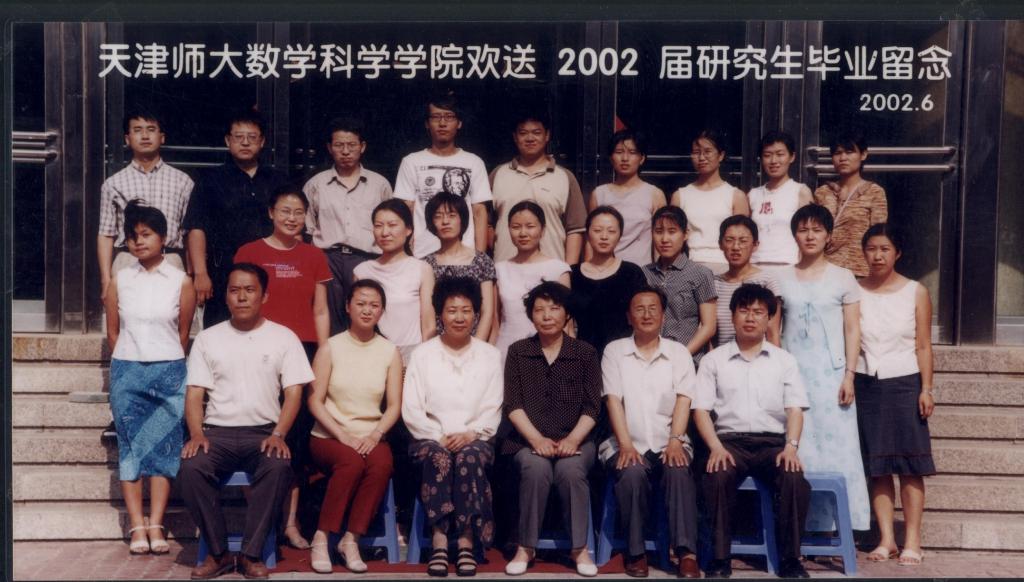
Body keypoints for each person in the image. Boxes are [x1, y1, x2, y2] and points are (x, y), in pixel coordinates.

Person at [178, 263, 315, 580]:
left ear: (264, 296)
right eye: (234, 290)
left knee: (278, 466)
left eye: (250, 290)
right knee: (191, 468)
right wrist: (196, 433)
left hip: (264, 433)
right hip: (217, 434)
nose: (241, 297)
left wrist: (279, 433)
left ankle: (252, 554)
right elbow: (195, 393)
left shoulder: (284, 337)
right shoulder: (208, 339)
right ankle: (219, 553)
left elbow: (294, 393)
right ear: (226, 296)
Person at [234, 186, 332, 549]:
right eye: (285, 211)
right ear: (271, 213)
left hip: (301, 352)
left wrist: (323, 353)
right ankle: (263, 521)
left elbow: (320, 310)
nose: (292, 218)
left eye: (299, 212)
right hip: (257, 352)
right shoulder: (249, 252)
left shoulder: (314, 256)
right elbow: (240, 301)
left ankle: (290, 523)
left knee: (294, 443)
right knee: (255, 435)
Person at [694, 283, 812, 579]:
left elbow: (795, 409)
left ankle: (791, 560)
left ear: (769, 318)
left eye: (758, 312)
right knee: (716, 475)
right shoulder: (713, 360)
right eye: (744, 310)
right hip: (728, 443)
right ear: (732, 316)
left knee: (793, 477)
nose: (750, 317)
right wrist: (715, 447)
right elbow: (701, 411)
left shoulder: (785, 361)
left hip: (772, 444)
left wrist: (791, 446)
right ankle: (719, 559)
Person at [103, 201, 196, 555]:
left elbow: (183, 333)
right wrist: (130, 362)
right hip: (127, 370)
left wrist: (165, 362)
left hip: (168, 370)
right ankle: (136, 525)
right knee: (130, 448)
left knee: (164, 447)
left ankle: (156, 523)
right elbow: (113, 332)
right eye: (132, 236)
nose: (138, 241)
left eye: (146, 234)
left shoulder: (180, 281)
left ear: (164, 238)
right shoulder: (120, 280)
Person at [776, 204, 870, 532]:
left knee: (837, 450)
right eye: (803, 230)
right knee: (802, 448)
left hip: (832, 376)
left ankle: (840, 527)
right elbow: (774, 330)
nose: (810, 236)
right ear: (794, 235)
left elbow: (852, 329)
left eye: (817, 230)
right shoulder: (781, 278)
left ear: (828, 235)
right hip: (795, 372)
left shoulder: (843, 277)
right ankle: (803, 529)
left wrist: (849, 375)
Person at [401, 277, 504, 577]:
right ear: (440, 314)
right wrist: (438, 437)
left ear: (476, 315)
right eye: (452, 310)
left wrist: (472, 433)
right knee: (439, 457)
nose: (459, 317)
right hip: (430, 439)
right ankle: (439, 541)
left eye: (466, 310)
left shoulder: (490, 355)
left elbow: (493, 405)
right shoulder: (422, 354)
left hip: (476, 438)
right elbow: (411, 408)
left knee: (469, 457)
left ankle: (466, 542)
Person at [502, 282, 601, 577]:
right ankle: (525, 547)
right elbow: (513, 404)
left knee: (571, 471)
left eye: (555, 308)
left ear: (567, 314)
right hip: (527, 441)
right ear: (531, 316)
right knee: (535, 468)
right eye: (539, 310)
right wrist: (536, 439)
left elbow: (592, 407)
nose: (547, 316)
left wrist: (573, 439)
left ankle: (579, 548)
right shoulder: (518, 352)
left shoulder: (585, 353)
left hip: (577, 440)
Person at [601, 286, 701, 579]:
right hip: (624, 441)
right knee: (632, 471)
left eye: (653, 308)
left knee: (678, 469)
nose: (646, 314)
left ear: (663, 316)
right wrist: (625, 445)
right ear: (628, 316)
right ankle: (636, 553)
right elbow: (613, 401)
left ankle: (686, 553)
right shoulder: (615, 351)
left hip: (670, 440)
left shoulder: (678, 352)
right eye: (639, 309)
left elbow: (684, 399)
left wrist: (675, 441)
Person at [306, 279, 403, 573]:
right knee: (351, 462)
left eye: (374, 305)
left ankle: (351, 539)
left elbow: (394, 405)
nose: (367, 310)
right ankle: (322, 537)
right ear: (348, 307)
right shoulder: (330, 347)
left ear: (382, 311)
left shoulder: (389, 350)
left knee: (381, 464)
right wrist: (342, 435)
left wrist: (375, 434)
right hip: (329, 435)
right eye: (360, 303)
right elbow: (314, 401)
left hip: (370, 434)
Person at [855, 223, 936, 566]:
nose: (877, 255)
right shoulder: (854, 289)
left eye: (885, 249)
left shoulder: (916, 291)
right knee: (878, 466)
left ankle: (912, 540)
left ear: (897, 253)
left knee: (909, 464)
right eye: (872, 248)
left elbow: (923, 345)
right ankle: (886, 539)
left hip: (905, 381)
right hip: (866, 382)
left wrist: (926, 388)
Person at [184, 109, 290, 328]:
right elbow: (196, 227)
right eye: (239, 137)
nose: (245, 142)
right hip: (222, 269)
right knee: (220, 329)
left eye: (252, 137)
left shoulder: (278, 180)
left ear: (262, 141)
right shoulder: (209, 180)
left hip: (269, 269)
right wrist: (201, 273)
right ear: (227, 140)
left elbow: (292, 227)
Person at [303, 116, 394, 334]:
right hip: (327, 260)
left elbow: (391, 226)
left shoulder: (379, 184)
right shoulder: (315, 184)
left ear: (362, 146)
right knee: (330, 321)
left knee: (367, 317)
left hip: (368, 259)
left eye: (351, 145)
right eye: (339, 145)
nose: (345, 151)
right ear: (329, 147)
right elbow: (306, 229)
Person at [98, 109, 193, 299]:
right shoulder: (113, 183)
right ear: (127, 139)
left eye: (151, 129)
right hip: (128, 261)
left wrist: (192, 274)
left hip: (170, 260)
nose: (145, 136)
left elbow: (190, 233)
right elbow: (106, 234)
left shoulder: (183, 181)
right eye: (137, 130)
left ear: (162, 137)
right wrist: (105, 279)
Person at [394, 90, 492, 258]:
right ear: (427, 123)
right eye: (436, 117)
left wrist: (480, 258)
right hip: (422, 253)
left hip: (465, 254)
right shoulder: (411, 161)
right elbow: (406, 209)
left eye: (449, 117)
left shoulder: (474, 162)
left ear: (459, 123)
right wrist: (406, 254)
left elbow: (479, 212)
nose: (442, 123)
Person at [490, 110, 587, 264]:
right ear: (515, 137)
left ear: (547, 135)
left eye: (536, 132)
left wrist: (569, 270)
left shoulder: (564, 177)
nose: (530, 138)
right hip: (506, 268)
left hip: (552, 270)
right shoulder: (498, 174)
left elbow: (575, 229)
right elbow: (486, 224)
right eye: (523, 133)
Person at [353, 199, 436, 365]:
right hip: (372, 354)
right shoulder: (362, 271)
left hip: (411, 355)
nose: (385, 232)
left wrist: (426, 361)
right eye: (378, 226)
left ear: (408, 229)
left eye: (392, 225)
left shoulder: (421, 269)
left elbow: (428, 324)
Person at [493, 201, 571, 355]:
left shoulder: (558, 269)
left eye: (530, 226)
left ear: (543, 230)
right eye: (516, 227)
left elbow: (567, 323)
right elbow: (495, 322)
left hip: (548, 353)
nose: (523, 233)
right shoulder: (499, 270)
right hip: (506, 350)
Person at [642, 206, 717, 366]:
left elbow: (709, 326)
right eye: (659, 231)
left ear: (685, 234)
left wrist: (682, 355)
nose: (664, 239)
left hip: (688, 361)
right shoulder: (643, 274)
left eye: (672, 231)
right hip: (649, 360)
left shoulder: (701, 274)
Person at [670, 129, 749, 275]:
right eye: (696, 152)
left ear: (721, 155)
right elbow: (673, 238)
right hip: (689, 266)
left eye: (707, 151)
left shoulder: (736, 196)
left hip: (726, 266)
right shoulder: (680, 195)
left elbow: (743, 239)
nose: (701, 157)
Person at [570, 206, 647, 356]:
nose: (604, 236)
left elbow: (642, 316)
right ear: (588, 234)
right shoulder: (573, 274)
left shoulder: (632, 273)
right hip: (582, 356)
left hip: (624, 356)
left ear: (620, 236)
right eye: (597, 230)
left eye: (611, 231)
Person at [813, 131, 888, 277]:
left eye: (849, 152)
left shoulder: (874, 192)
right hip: (825, 272)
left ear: (863, 155)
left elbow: (878, 237)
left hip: (859, 272)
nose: (843, 158)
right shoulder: (822, 192)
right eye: (837, 153)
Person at [589, 129, 667, 267]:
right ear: (611, 158)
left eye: (632, 152)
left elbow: (660, 241)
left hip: (642, 271)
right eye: (619, 152)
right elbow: (590, 241)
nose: (625, 158)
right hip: (605, 271)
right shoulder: (599, 194)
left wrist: (660, 273)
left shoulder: (654, 194)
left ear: (642, 158)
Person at [424, 192, 496, 340]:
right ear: (431, 223)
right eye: (438, 216)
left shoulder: (481, 261)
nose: (445, 221)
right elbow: (427, 313)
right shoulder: (425, 264)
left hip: (474, 342)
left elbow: (487, 311)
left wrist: (476, 347)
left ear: (462, 219)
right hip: (438, 344)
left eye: (452, 215)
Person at [747, 131, 813, 269]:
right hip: (755, 265)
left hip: (788, 265)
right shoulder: (753, 195)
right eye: (767, 155)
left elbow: (807, 233)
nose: (773, 161)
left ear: (792, 157)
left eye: (780, 154)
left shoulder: (800, 192)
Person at [714, 215, 781, 347]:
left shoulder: (767, 280)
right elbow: (712, 334)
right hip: (723, 356)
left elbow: (773, 333)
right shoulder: (714, 283)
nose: (736, 247)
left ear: (755, 245)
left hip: (759, 356)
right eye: (729, 240)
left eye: (743, 241)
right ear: (720, 244)